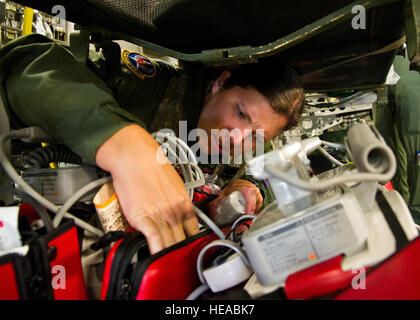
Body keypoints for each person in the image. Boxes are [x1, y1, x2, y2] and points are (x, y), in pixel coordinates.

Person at [0, 34, 304, 254]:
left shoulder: (250, 145)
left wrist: (251, 188)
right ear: (220, 82)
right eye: (240, 112)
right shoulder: (147, 86)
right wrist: (123, 143)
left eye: (255, 136)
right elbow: (28, 63)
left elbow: (267, 168)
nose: (237, 137)